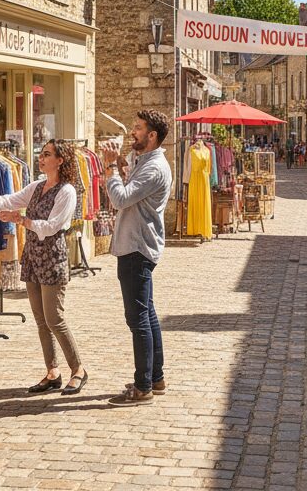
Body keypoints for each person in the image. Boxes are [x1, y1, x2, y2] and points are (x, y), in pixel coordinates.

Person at [0, 139, 86, 396]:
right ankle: (52, 371)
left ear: (60, 161)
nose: (41, 158)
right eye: (42, 154)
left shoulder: (67, 191)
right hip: (32, 257)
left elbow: (52, 226)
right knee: (41, 320)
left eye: (47, 154)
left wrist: (20, 219)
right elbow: (6, 200)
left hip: (52, 259)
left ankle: (78, 369)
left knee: (55, 318)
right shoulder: (37, 186)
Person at [101, 110, 174, 406]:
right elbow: (129, 187)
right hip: (136, 244)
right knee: (147, 314)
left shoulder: (154, 168)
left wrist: (110, 167)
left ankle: (143, 387)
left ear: (152, 135)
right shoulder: (145, 161)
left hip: (137, 247)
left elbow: (120, 199)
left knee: (138, 318)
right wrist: (120, 165)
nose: (133, 132)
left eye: (138, 128)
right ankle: (155, 378)